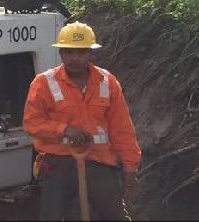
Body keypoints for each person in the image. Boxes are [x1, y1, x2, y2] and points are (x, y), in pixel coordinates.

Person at [23, 22, 141, 221]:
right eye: (69, 52)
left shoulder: (107, 81)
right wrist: (64, 129)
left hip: (98, 161)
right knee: (51, 216)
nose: (75, 58)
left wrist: (130, 167)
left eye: (80, 52)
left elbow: (122, 129)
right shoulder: (44, 83)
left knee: (116, 216)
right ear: (61, 53)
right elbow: (31, 123)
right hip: (57, 162)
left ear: (90, 53)